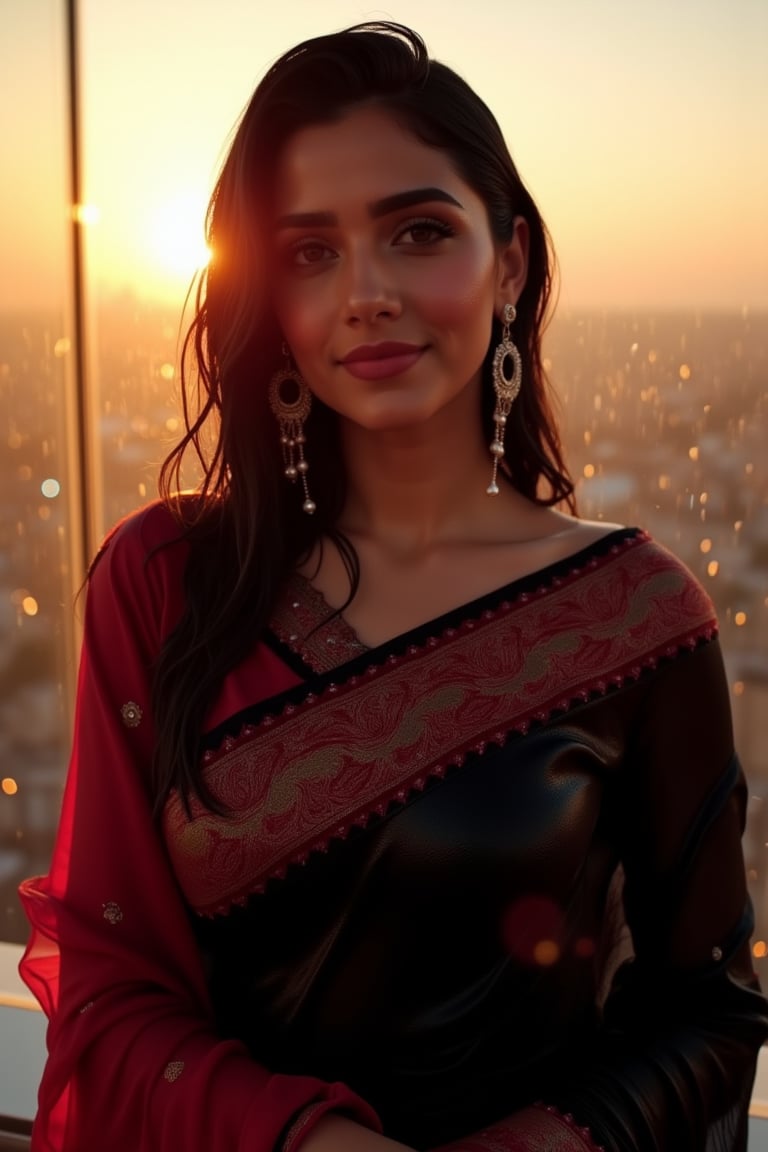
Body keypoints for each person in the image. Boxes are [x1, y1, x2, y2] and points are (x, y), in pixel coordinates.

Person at [18, 20, 768, 1152]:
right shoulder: (167, 585)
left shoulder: (636, 617)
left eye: (418, 232)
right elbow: (109, 992)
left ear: (509, 260)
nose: (365, 293)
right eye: (310, 252)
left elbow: (707, 1010)